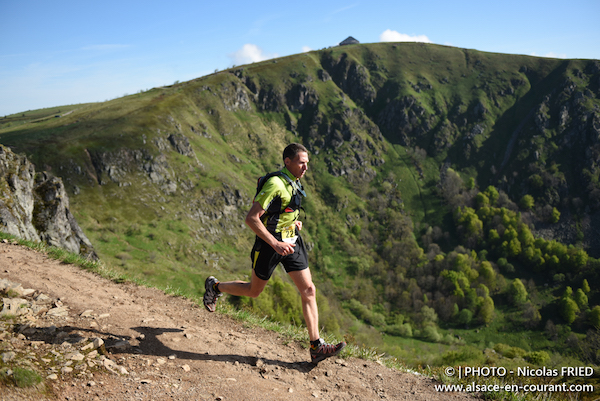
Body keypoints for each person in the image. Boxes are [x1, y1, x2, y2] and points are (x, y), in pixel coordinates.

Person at [203, 143, 346, 363]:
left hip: (292, 242)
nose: (306, 167)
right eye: (301, 162)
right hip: (270, 246)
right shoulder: (275, 183)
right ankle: (214, 287)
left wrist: (293, 222)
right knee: (253, 291)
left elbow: (283, 209)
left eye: (307, 163)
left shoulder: (294, 181)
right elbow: (252, 218)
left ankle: (316, 346)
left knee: (308, 289)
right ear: (287, 161)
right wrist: (275, 243)